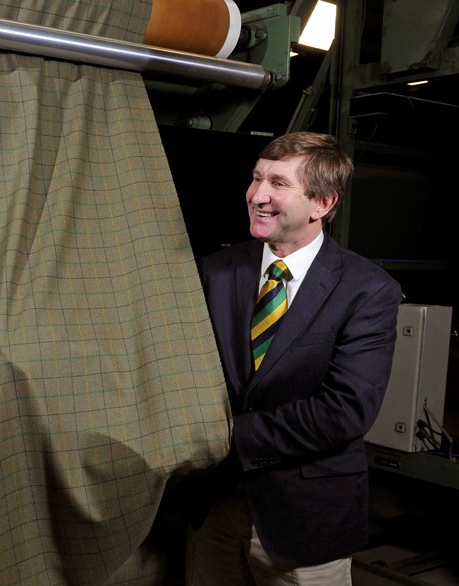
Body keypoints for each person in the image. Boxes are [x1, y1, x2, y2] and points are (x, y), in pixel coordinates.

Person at [184, 132, 402, 585]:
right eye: (256, 178)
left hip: (303, 518)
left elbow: (345, 410)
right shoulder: (216, 270)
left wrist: (224, 437)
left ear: (321, 203)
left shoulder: (367, 290)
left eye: (278, 184)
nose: (257, 196)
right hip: (213, 507)